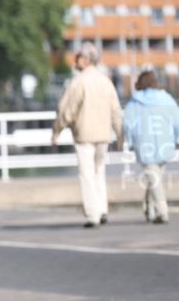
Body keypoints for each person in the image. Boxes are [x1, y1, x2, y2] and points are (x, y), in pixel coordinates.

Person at [52, 42, 123, 228]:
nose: (75, 61)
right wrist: (120, 135)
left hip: (84, 134)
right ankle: (102, 208)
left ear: (85, 60)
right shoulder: (106, 81)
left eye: (77, 57)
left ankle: (93, 214)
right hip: (103, 135)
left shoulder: (78, 82)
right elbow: (116, 111)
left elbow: (66, 110)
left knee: (86, 174)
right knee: (99, 171)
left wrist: (57, 131)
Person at [124, 70, 179, 224]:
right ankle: (151, 209)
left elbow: (128, 123)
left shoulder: (134, 102)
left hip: (144, 143)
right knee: (155, 177)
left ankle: (162, 212)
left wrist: (129, 141)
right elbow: (176, 120)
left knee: (153, 178)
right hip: (165, 143)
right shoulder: (167, 99)